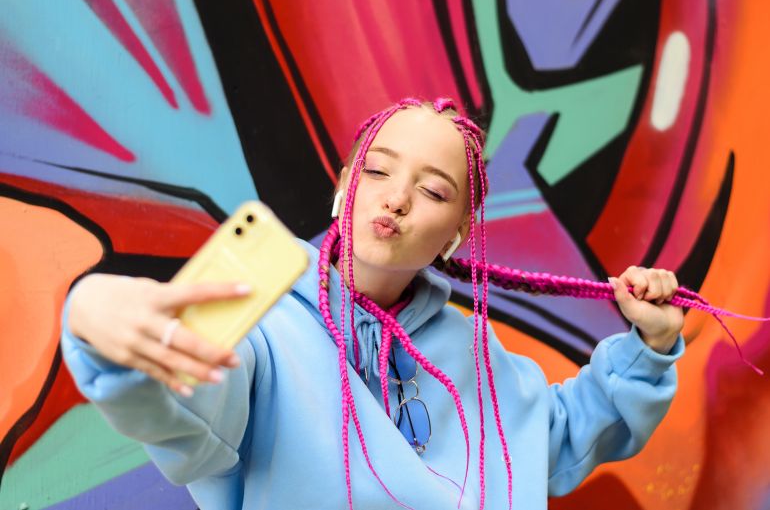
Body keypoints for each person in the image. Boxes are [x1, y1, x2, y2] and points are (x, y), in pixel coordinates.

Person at [61, 98, 685, 510]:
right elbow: (190, 409)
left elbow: (551, 437)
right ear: (343, 189)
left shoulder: (474, 352)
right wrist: (94, 322)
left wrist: (649, 350)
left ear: (457, 236)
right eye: (379, 172)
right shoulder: (265, 329)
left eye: (433, 190)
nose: (397, 200)